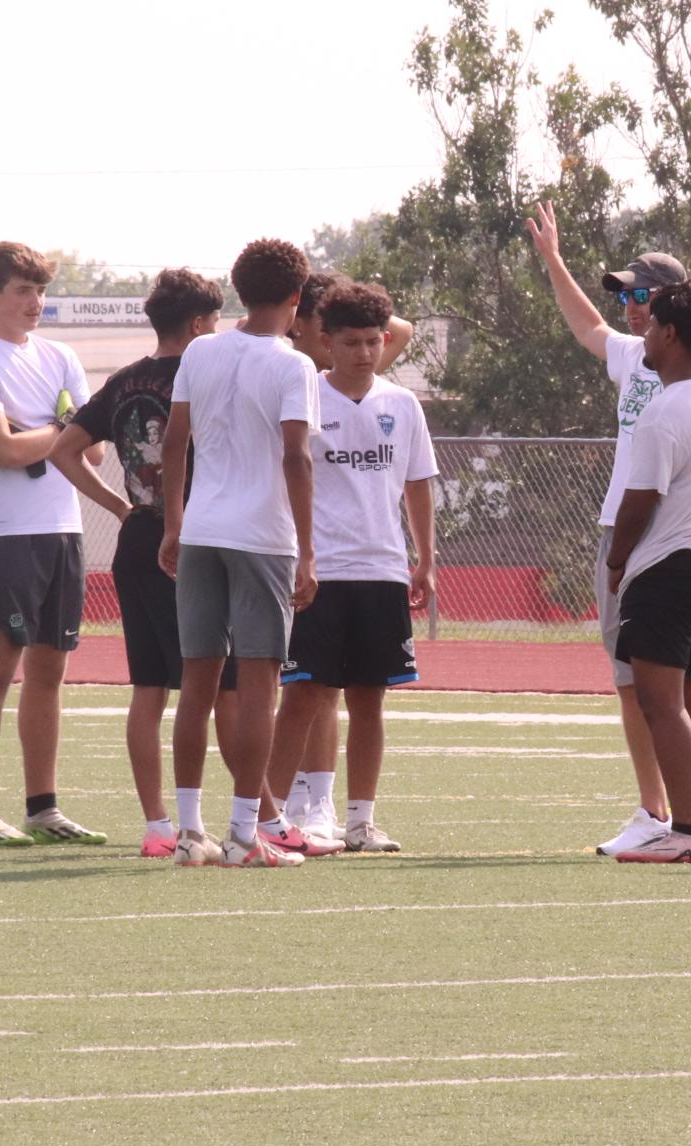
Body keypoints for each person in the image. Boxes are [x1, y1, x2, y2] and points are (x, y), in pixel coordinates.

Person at [524, 200, 691, 859]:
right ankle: (663, 812)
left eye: (643, 299)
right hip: (657, 541)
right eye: (627, 297)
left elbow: (664, 478)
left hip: (666, 542)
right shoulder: (644, 359)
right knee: (640, 682)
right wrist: (552, 261)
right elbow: (587, 326)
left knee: (683, 691)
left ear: (673, 318)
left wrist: (628, 552)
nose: (632, 312)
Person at [49, 268, 240, 859]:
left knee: (149, 686)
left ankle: (158, 823)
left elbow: (63, 450)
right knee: (221, 684)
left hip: (139, 537)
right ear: (198, 324)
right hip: (195, 538)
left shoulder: (126, 380)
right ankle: (242, 815)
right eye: (215, 321)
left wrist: (123, 508)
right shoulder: (202, 373)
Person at [160, 238, 333, 868]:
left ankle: (187, 831)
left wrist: (174, 523)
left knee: (197, 682)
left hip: (202, 530)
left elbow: (175, 443)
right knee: (259, 685)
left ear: (238, 287)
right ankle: (241, 835)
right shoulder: (294, 367)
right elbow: (296, 456)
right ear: (295, 298)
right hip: (262, 538)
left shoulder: (200, 350)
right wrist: (309, 552)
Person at [261, 281, 436, 854]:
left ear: (384, 341)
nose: (363, 352)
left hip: (382, 570)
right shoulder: (305, 396)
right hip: (321, 571)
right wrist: (297, 554)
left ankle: (360, 820)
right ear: (326, 342)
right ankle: (274, 817)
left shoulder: (402, 404)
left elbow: (416, 484)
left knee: (369, 698)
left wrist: (426, 559)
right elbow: (287, 474)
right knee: (304, 694)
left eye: (372, 341)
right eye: (350, 341)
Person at [0, 241, 107, 845]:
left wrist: (43, 433)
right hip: (7, 534)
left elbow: (91, 450)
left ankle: (43, 807)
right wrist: (59, 431)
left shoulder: (62, 355)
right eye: (22, 290)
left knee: (50, 670)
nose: (35, 302)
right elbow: (7, 450)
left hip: (62, 529)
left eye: (40, 291)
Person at [604, 278, 691, 864]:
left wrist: (616, 562)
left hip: (670, 566)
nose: (644, 334)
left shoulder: (666, 409)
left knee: (662, 704)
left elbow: (639, 502)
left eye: (652, 321)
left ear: (670, 333)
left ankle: (684, 830)